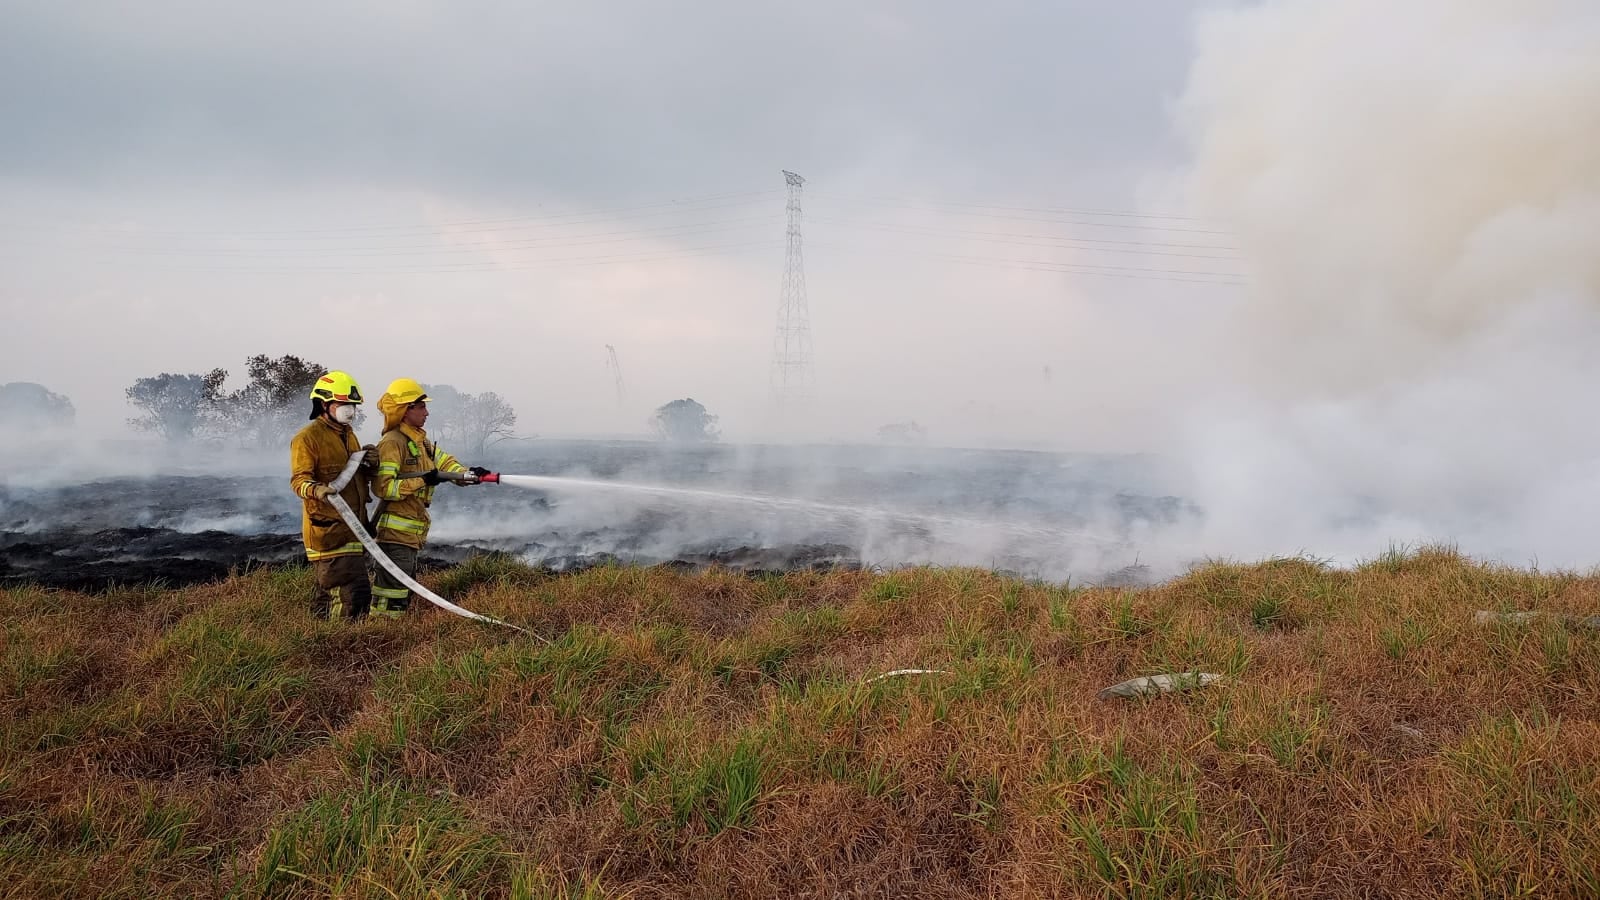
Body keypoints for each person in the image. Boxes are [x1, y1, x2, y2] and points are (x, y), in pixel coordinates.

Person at [368, 378, 491, 617]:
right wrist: (423, 480)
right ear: (406, 410)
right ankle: (380, 636)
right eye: (421, 406)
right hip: (395, 534)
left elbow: (445, 463)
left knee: (403, 589)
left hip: (411, 534)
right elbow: (384, 488)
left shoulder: (420, 441)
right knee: (391, 594)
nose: (427, 412)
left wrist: (469, 474)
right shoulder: (392, 442)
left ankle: (395, 633)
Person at [288, 371, 377, 620]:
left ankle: (318, 637)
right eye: (343, 404)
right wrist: (317, 489)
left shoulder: (348, 434)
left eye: (353, 405)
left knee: (335, 594)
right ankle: (339, 645)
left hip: (353, 529)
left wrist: (368, 463)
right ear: (324, 404)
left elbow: (354, 479)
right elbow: (298, 481)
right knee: (350, 599)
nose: (350, 410)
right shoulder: (307, 438)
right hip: (329, 533)